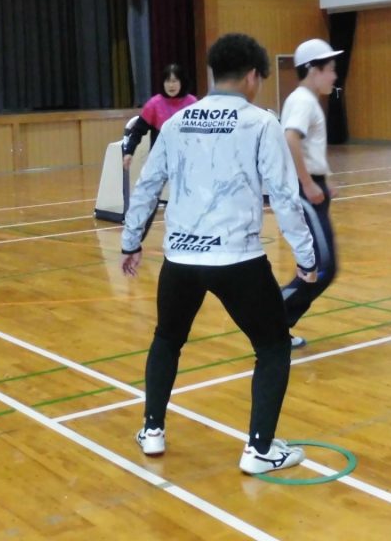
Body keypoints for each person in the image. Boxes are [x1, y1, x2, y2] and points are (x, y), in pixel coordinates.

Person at [121, 33, 318, 475]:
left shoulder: (176, 122)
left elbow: (148, 185)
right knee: (273, 346)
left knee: (167, 339)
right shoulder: (261, 123)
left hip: (180, 260)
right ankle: (260, 450)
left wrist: (131, 242)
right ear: (252, 76)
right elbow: (284, 196)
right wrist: (306, 258)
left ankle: (152, 430)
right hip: (238, 261)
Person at [279, 38, 343, 349]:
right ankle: (271, 317)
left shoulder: (306, 100)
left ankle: (277, 327)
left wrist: (323, 179)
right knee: (321, 268)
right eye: (330, 69)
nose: (334, 76)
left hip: (311, 185)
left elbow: (306, 147)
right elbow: (290, 138)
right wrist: (307, 183)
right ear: (313, 70)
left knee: (320, 267)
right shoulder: (303, 101)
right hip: (303, 190)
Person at [122, 64, 197, 240]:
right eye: (167, 81)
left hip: (187, 161)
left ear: (182, 82)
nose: (171, 85)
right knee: (147, 200)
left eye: (175, 81)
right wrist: (129, 151)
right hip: (160, 160)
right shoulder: (154, 104)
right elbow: (138, 131)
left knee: (189, 199)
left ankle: (190, 237)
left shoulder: (193, 104)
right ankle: (134, 241)